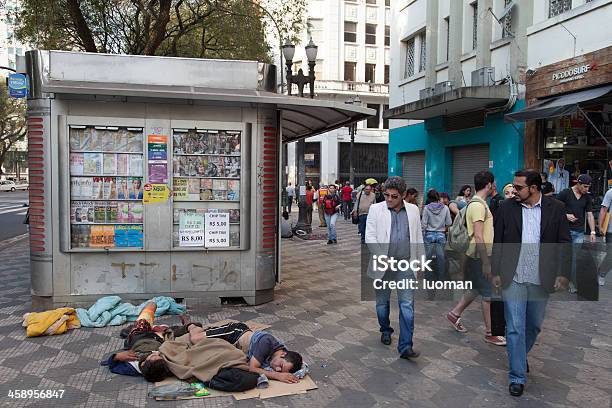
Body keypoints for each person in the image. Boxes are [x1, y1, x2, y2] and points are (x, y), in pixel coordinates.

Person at [491, 169, 570, 397]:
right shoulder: (506, 208)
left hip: (541, 278)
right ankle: (517, 375)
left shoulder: (556, 209)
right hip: (513, 276)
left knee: (533, 324)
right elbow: (499, 241)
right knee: (514, 327)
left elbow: (564, 244)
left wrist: (563, 274)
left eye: (518, 187)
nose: (513, 191)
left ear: (533, 188)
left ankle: (519, 355)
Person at [365, 176, 425, 360]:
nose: (389, 200)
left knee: (407, 305)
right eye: (386, 195)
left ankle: (406, 346)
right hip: (383, 264)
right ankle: (385, 329)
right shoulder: (376, 209)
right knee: (382, 304)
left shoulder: (414, 210)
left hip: (406, 264)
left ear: (404, 195)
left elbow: (417, 237)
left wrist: (420, 263)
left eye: (394, 196)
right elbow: (370, 237)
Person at [446, 171, 506, 346]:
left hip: (476, 256)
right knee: (488, 295)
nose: (495, 185)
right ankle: (490, 333)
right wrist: (487, 263)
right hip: (481, 256)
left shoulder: (477, 204)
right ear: (488, 184)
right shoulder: (478, 206)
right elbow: (479, 236)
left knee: (475, 289)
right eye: (494, 182)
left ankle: (454, 314)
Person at [556, 174, 596, 293]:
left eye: (588, 187)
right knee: (564, 258)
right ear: (578, 184)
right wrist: (565, 215)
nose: (587, 189)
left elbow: (589, 214)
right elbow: (553, 208)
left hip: (579, 232)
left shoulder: (587, 197)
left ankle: (573, 283)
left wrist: (593, 231)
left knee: (576, 259)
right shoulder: (565, 193)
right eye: (585, 186)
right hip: (565, 232)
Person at [421, 189, 452, 282]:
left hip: (429, 234)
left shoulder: (426, 208)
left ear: (429, 198)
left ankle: (428, 278)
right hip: (441, 235)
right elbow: (449, 222)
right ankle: (441, 279)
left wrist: (423, 235)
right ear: (438, 197)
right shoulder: (445, 208)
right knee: (441, 258)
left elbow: (424, 224)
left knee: (428, 258)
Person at [598, 188, 612, 286]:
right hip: (611, 229)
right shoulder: (610, 192)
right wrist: (600, 226)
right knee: (611, 255)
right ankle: (601, 274)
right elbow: (603, 209)